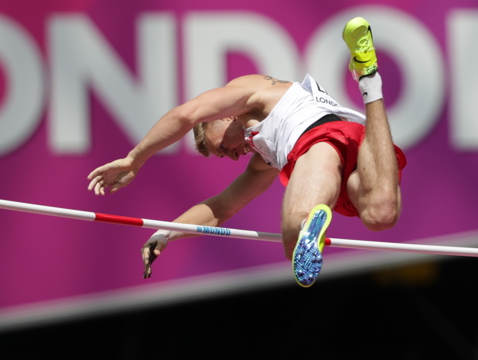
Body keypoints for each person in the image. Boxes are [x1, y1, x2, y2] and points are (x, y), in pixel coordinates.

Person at [87, 17, 406, 287]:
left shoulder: (248, 92)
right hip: (363, 143)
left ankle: (306, 223)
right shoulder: (265, 157)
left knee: (293, 239)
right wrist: (166, 233)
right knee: (380, 216)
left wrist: (135, 158)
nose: (232, 155)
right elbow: (222, 206)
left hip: (318, 143)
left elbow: (185, 115)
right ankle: (369, 79)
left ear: (223, 117)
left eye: (222, 147)